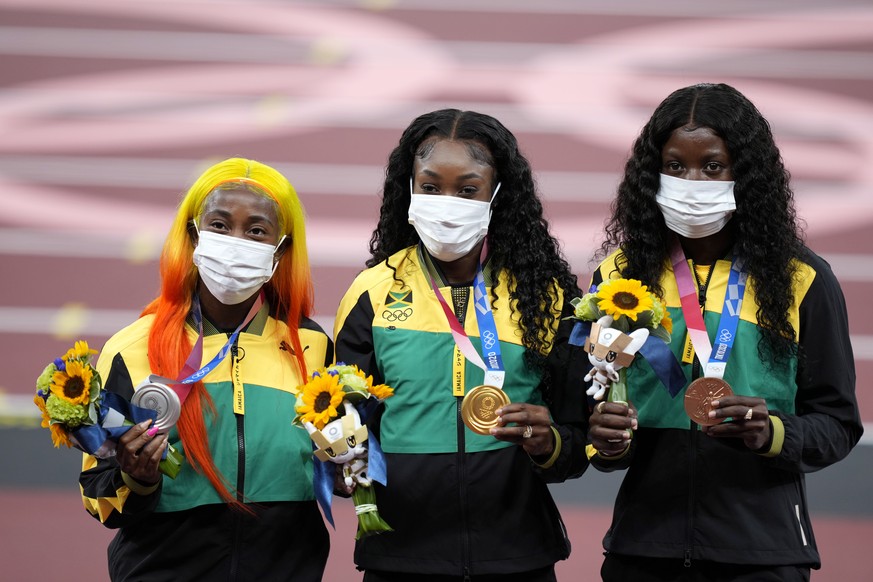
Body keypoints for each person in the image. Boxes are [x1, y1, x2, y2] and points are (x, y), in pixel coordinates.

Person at [586, 83, 862, 581]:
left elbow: (838, 424)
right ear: (653, 173)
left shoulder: (803, 280)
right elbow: (597, 406)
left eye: (712, 165)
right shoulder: (619, 279)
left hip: (762, 556)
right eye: (675, 166)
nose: (692, 181)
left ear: (745, 173)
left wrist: (772, 432)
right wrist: (604, 440)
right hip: (645, 550)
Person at [334, 109, 589, 581]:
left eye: (467, 189)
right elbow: (339, 423)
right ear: (408, 189)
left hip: (517, 558)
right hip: (400, 557)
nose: (446, 202)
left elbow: (579, 441)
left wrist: (548, 440)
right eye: (430, 187)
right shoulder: (371, 291)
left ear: (496, 195)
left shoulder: (548, 297)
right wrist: (339, 461)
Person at [78, 158, 331, 581]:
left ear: (280, 249)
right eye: (219, 225)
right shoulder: (132, 349)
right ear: (194, 235)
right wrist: (136, 478)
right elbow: (98, 497)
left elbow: (331, 464)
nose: (236, 241)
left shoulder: (313, 346)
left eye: (256, 231)